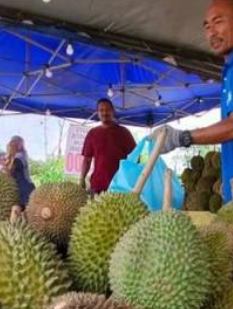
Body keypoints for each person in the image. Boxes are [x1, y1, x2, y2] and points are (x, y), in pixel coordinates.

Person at [151, 0, 233, 202]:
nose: (212, 32)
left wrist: (183, 137)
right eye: (207, 26)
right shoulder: (228, 71)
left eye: (218, 21)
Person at [80, 98, 136, 195]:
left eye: (108, 109)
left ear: (113, 111)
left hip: (120, 186)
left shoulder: (124, 132)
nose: (105, 113)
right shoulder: (92, 133)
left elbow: (135, 157)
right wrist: (82, 178)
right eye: (101, 110)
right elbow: (87, 159)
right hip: (97, 186)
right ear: (97, 113)